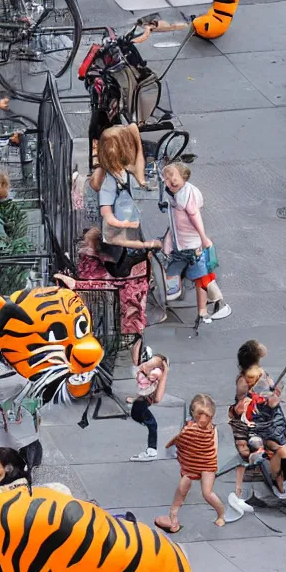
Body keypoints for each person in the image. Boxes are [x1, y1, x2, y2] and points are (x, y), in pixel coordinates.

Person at [55, 226, 157, 369]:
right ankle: (138, 356)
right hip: (126, 318)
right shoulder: (130, 266)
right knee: (133, 337)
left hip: (114, 317)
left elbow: (100, 285)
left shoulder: (101, 265)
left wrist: (75, 284)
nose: (81, 248)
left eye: (85, 244)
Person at [162, 161, 231, 326]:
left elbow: (195, 218)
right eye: (166, 179)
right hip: (182, 243)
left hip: (191, 246)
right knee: (198, 277)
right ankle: (207, 305)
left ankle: (204, 310)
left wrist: (203, 238)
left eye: (173, 180)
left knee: (200, 279)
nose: (169, 183)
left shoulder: (186, 196)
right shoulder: (175, 192)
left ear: (183, 178)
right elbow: (174, 223)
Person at [156, 393, 225, 532]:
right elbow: (181, 442)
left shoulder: (212, 429)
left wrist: (209, 461)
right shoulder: (188, 428)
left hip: (207, 464)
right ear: (193, 413)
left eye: (207, 416)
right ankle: (173, 514)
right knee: (182, 487)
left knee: (207, 493)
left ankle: (221, 514)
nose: (203, 419)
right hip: (191, 463)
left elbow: (214, 448)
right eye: (200, 415)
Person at [232, 339, 286, 501]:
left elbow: (270, 390)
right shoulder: (245, 380)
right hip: (259, 423)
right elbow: (243, 404)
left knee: (278, 449)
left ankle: (274, 475)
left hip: (269, 419)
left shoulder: (256, 374)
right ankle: (276, 480)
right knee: (277, 449)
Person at [129, 354, 169, 461]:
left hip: (143, 401)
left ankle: (152, 450)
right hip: (142, 402)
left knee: (152, 424)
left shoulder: (149, 372)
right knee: (152, 424)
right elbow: (157, 398)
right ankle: (152, 450)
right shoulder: (146, 370)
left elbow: (157, 397)